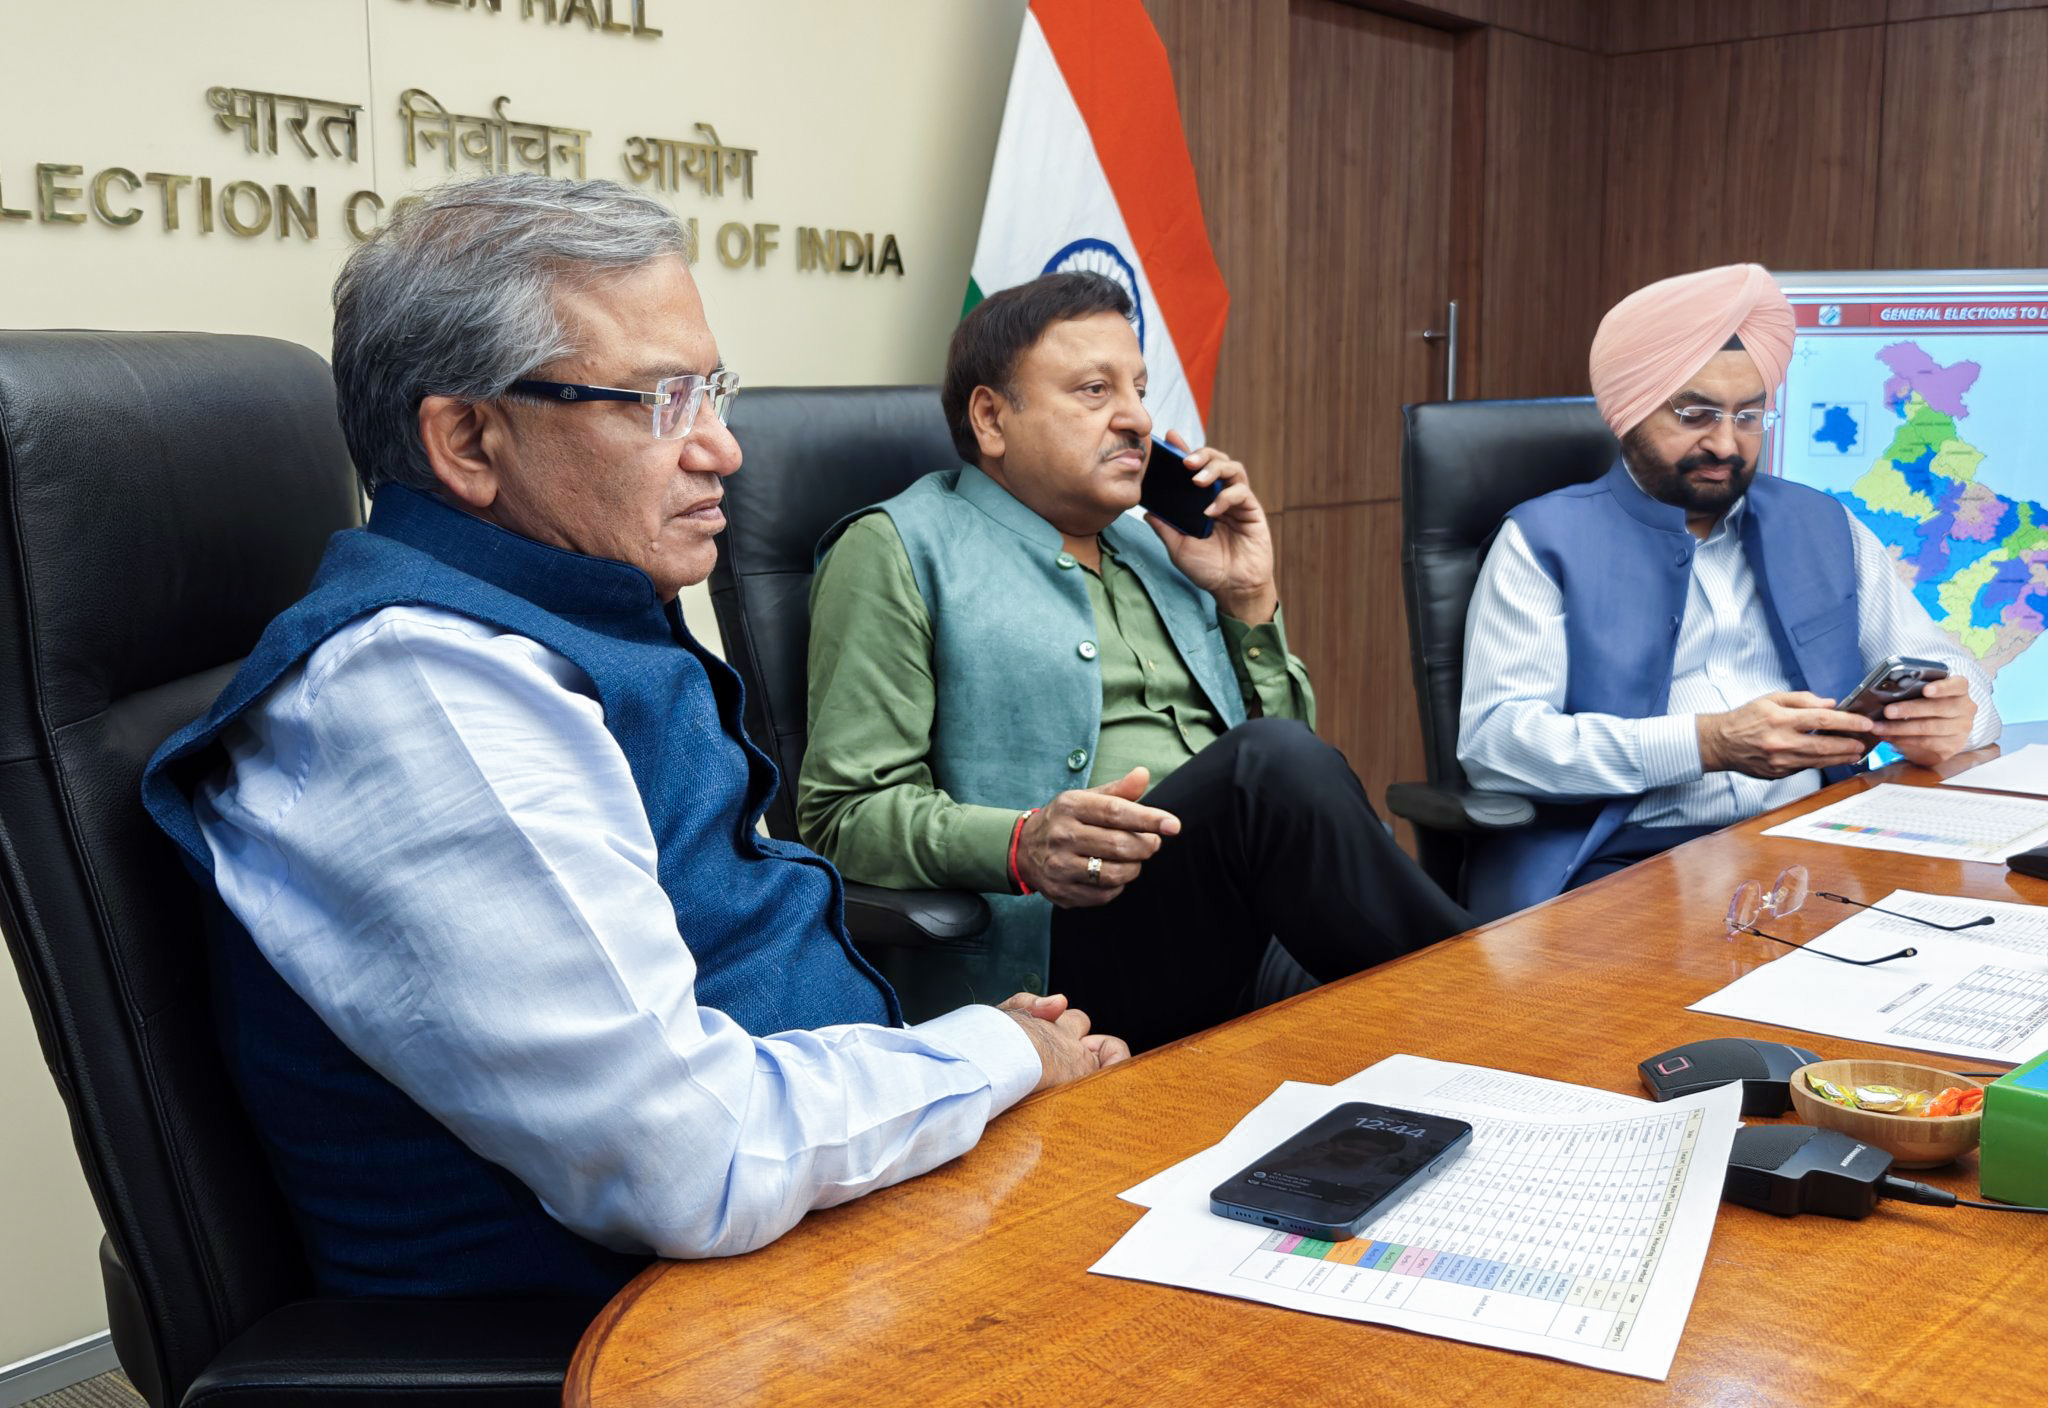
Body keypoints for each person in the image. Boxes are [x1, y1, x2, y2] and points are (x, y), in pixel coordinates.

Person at [139, 175, 1128, 1304]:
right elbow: (692, 1161)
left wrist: (945, 1059)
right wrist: (994, 1056)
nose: (723, 450)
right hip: (625, 1331)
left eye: (713, 392)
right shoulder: (429, 695)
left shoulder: (570, 609)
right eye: (662, 402)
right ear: (468, 439)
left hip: (792, 1252)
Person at [799, 272, 1470, 1051]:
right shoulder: (898, 547)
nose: (1139, 419)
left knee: (1379, 985)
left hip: (1240, 928)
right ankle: (1508, 1007)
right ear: (991, 418)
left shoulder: (1159, 545)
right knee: (1272, 771)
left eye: (1140, 390)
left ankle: (1497, 1016)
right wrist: (1022, 842)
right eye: (1095, 391)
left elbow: (1297, 787)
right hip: (1061, 950)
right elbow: (842, 816)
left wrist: (1248, 598)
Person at [1458, 263, 1999, 917]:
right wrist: (1706, 743)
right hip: (1629, 858)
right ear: (1629, 410)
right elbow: (1498, 744)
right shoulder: (1541, 539)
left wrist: (1955, 718)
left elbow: (1948, 668)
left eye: (1748, 416)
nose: (1725, 443)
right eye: (1695, 414)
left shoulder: (1822, 522)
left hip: (1821, 836)